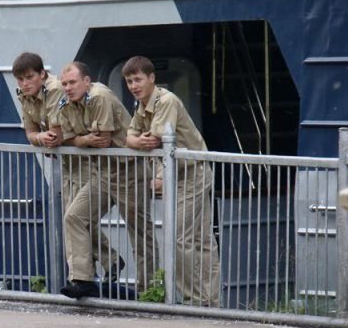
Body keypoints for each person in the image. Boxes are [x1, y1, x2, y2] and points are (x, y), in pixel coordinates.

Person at [13, 52, 119, 287]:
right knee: (74, 218)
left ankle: (82, 277)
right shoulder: (25, 96)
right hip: (68, 163)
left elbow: (58, 134)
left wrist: (46, 138)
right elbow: (32, 133)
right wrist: (41, 137)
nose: (24, 84)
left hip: (85, 162)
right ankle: (107, 262)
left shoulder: (55, 90)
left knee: (75, 217)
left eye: (29, 77)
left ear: (42, 74)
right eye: (20, 79)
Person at [122, 56, 220, 306]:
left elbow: (155, 140)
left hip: (191, 174)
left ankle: (193, 300)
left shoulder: (166, 101)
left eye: (138, 79)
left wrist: (139, 143)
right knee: (200, 240)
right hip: (178, 174)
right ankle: (207, 301)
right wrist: (135, 141)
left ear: (152, 78)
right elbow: (130, 136)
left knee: (181, 239)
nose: (133, 86)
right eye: (129, 81)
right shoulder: (142, 104)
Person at [58, 61, 155, 299]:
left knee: (139, 232)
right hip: (102, 172)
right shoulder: (66, 104)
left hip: (128, 171)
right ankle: (83, 279)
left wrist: (79, 139)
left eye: (72, 83)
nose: (68, 88)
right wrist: (83, 140)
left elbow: (102, 139)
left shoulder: (99, 96)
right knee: (74, 216)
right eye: (64, 84)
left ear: (87, 81)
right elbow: (64, 138)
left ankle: (150, 290)